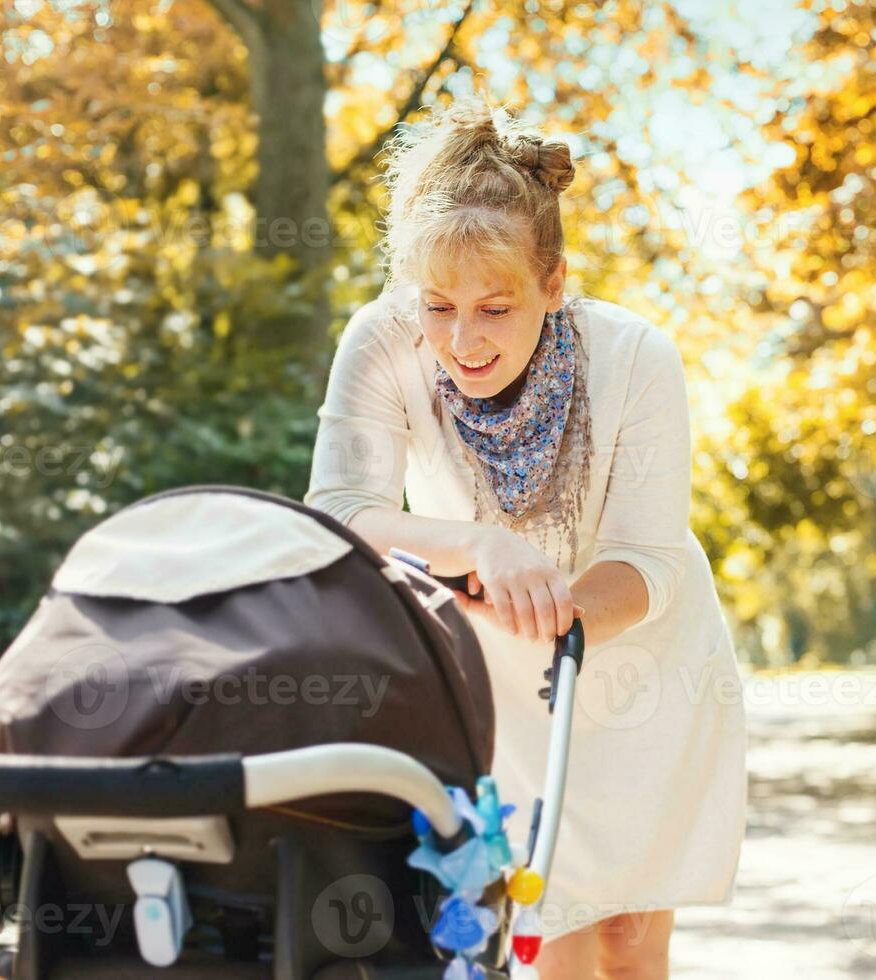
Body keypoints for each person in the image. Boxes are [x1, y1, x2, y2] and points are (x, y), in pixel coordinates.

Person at [304, 94, 748, 979]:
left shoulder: (636, 357)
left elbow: (651, 558)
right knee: (549, 931)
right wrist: (482, 548)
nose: (463, 341)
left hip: (640, 664)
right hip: (492, 678)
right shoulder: (383, 343)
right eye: (438, 306)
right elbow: (338, 515)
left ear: (554, 283)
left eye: (496, 308)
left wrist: (558, 606)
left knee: (629, 938)